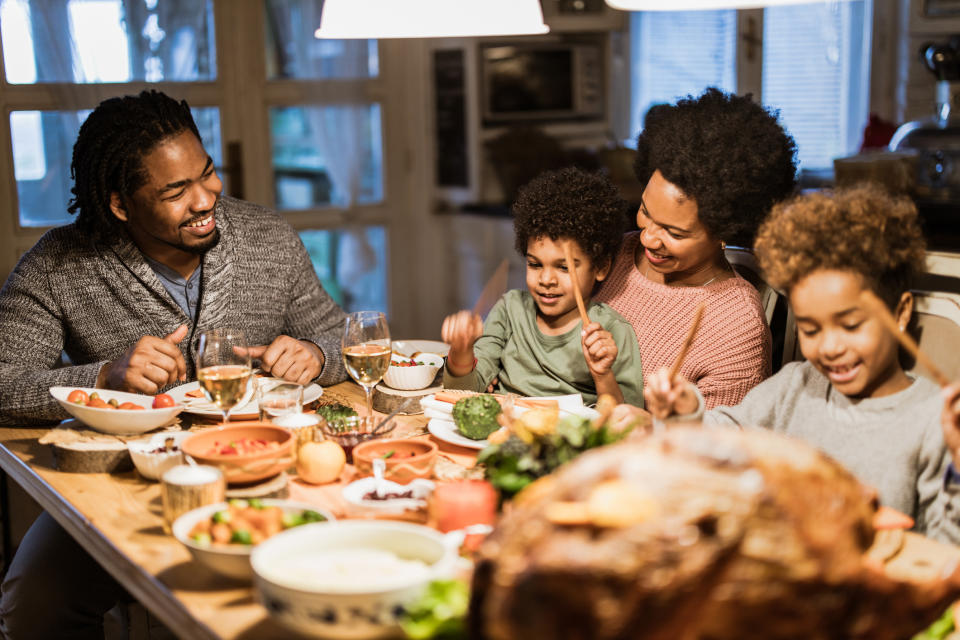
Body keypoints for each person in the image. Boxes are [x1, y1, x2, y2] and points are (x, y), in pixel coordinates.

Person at [0, 90, 347, 638]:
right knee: (34, 603)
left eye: (207, 174)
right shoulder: (57, 266)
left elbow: (341, 334)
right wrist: (102, 377)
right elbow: (4, 382)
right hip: (117, 485)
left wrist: (317, 353)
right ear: (120, 204)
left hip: (255, 467)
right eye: (176, 191)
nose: (207, 198)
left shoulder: (268, 237)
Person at [633, 184, 960, 544]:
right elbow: (722, 440)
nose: (831, 347)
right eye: (810, 328)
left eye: (851, 326)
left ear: (900, 314)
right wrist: (684, 411)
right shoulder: (795, 386)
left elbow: (946, 550)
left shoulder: (935, 420)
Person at [596, 87, 798, 409]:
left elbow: (721, 445)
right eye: (646, 212)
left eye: (674, 232)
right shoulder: (613, 256)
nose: (647, 238)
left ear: (725, 227)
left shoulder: (735, 324)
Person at [441, 167, 644, 406]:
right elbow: (462, 394)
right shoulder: (510, 310)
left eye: (564, 267)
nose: (546, 279)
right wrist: (461, 350)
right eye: (535, 264)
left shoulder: (612, 331)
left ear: (600, 268)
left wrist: (602, 375)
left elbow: (628, 420)